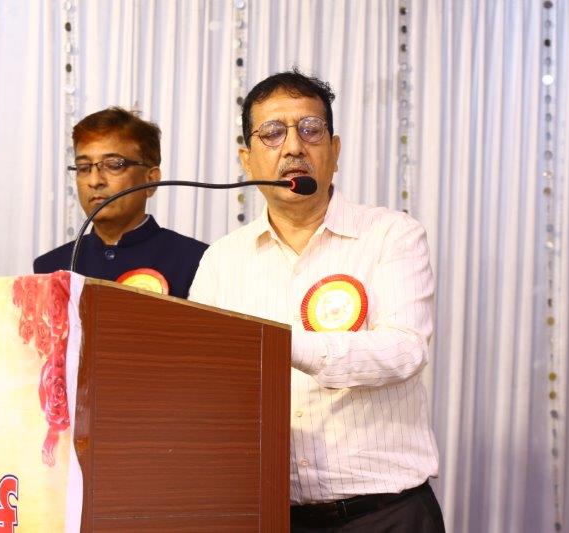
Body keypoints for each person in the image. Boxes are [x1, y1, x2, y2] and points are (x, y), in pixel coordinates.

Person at [189, 70, 444, 531]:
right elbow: (206, 382)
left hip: (387, 514)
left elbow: (405, 350)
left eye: (310, 130)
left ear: (335, 150)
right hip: (271, 515)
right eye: (272, 133)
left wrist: (279, 343)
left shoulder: (391, 235)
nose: (293, 148)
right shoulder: (221, 260)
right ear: (246, 159)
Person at [34, 107, 207, 299]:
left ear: (151, 180)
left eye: (114, 165)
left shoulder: (197, 260)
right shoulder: (50, 268)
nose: (95, 181)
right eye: (83, 168)